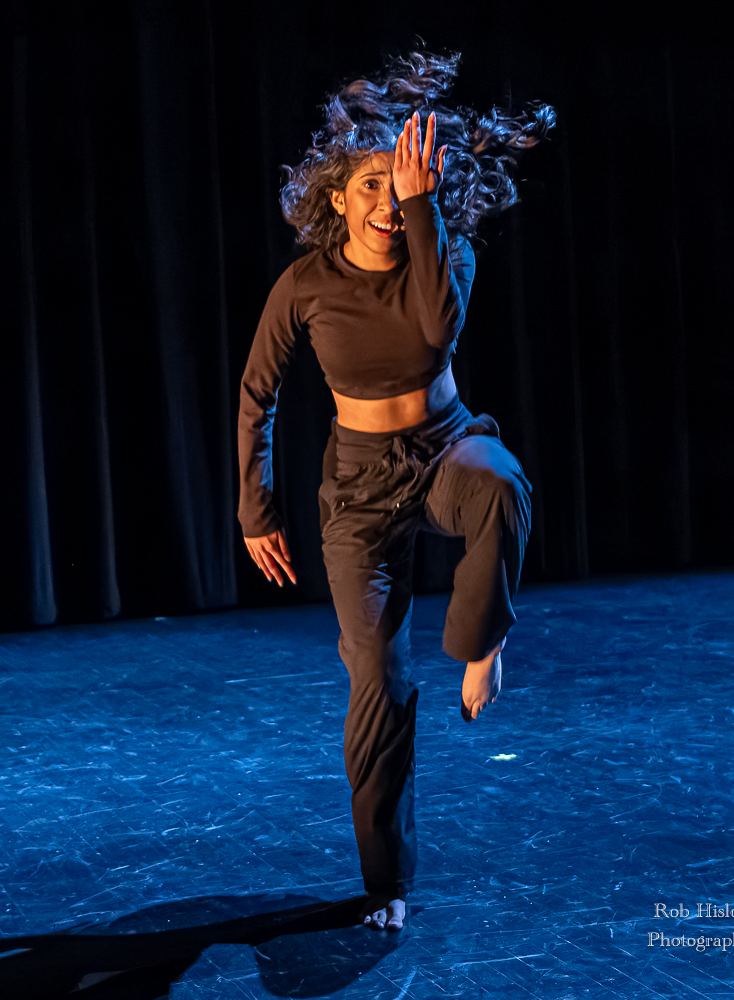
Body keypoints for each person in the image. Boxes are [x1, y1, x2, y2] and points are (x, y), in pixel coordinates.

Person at [237, 50, 555, 931]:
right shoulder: (305, 284)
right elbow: (257, 395)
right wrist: (256, 508)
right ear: (336, 198)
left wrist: (423, 213)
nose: (385, 202)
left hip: (447, 447)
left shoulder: (443, 252)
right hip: (359, 487)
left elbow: (435, 329)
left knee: (502, 484)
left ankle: (484, 641)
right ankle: (386, 880)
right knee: (376, 678)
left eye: (398, 184)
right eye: (369, 186)